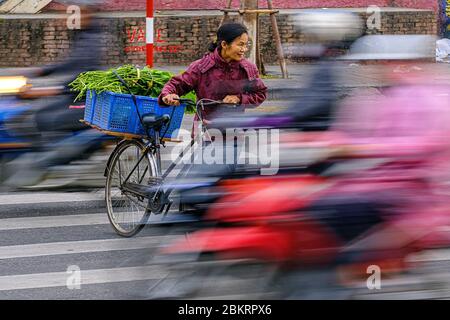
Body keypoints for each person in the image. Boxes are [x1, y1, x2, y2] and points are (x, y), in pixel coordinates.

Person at [158, 22, 268, 138]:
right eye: (240, 45)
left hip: (233, 131)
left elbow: (260, 94)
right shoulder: (201, 67)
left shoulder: (247, 69)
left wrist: (239, 98)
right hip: (205, 131)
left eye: (246, 45)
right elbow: (177, 84)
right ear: (224, 44)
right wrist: (168, 95)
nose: (244, 49)